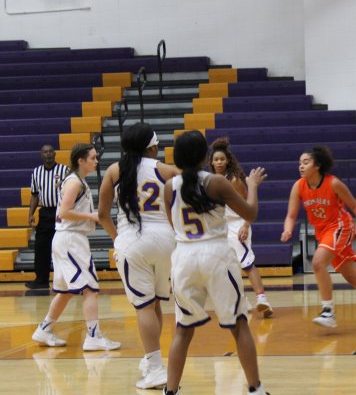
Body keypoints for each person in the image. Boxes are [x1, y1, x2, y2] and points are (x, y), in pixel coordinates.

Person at [162, 131, 269, 395]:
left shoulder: (169, 187)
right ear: (204, 157)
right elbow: (251, 213)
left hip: (184, 256)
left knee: (183, 329)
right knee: (238, 323)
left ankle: (170, 391)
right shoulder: (217, 182)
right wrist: (253, 184)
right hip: (216, 254)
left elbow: (172, 223)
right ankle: (255, 389)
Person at [98, 123, 179, 389]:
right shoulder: (164, 169)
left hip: (132, 240)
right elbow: (189, 187)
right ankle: (151, 358)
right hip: (167, 240)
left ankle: (156, 369)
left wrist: (117, 239)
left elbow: (102, 214)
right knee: (155, 303)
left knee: (143, 306)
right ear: (153, 147)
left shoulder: (114, 171)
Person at [281, 145, 356, 328]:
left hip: (341, 227)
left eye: (306, 162)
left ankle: (328, 311)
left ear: (317, 165)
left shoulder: (333, 183)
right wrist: (287, 230)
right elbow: (290, 215)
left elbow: (355, 206)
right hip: (324, 233)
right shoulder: (298, 186)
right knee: (354, 278)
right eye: (299, 163)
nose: (301, 166)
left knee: (318, 262)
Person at [31, 143, 120, 351]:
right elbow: (63, 212)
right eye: (92, 158)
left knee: (65, 291)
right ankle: (93, 336)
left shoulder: (78, 181)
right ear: (81, 160)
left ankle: (44, 329)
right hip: (71, 239)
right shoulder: (74, 182)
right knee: (90, 288)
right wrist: (91, 216)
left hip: (68, 239)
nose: (96, 161)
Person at [209, 137, 273, 318]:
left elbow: (247, 203)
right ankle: (241, 300)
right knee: (227, 267)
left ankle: (262, 299)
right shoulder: (211, 180)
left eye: (222, 159)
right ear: (211, 163)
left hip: (238, 223)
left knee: (247, 263)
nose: (219, 162)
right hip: (221, 227)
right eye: (216, 159)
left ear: (227, 160)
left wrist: (246, 224)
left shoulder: (234, 179)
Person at [25, 145, 69, 289]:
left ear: (55, 154)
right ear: (41, 155)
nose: (48, 154)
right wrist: (30, 214)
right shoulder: (36, 172)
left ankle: (68, 279)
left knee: (63, 247)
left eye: (50, 152)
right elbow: (34, 195)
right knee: (41, 247)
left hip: (61, 212)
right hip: (45, 213)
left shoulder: (64, 170)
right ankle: (41, 279)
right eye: (45, 152)